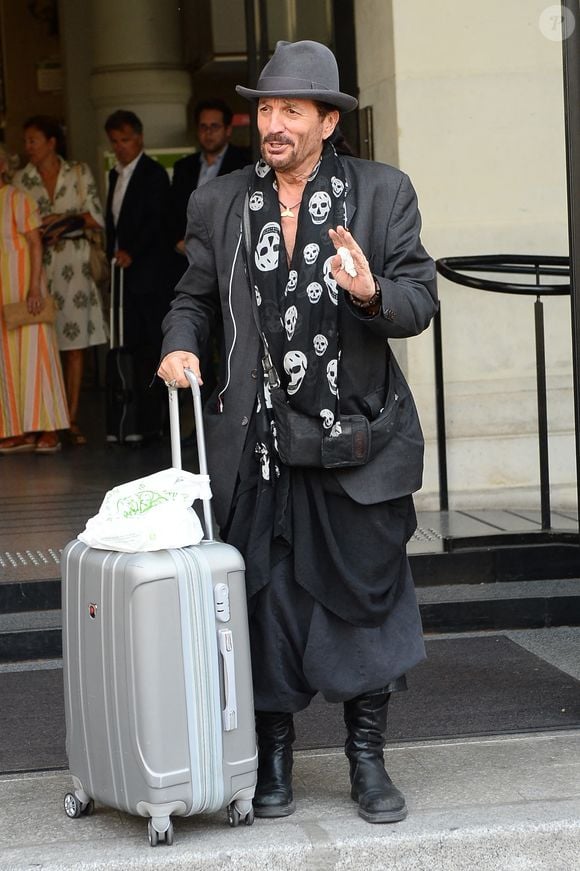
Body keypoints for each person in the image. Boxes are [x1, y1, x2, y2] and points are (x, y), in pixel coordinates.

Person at [158, 40, 438, 824]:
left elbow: (420, 299)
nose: (271, 123)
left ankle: (367, 762)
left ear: (326, 121)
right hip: (259, 445)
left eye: (290, 110)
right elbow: (195, 296)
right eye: (264, 109)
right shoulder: (221, 204)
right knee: (264, 604)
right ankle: (273, 757)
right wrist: (180, 341)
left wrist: (372, 291)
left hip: (357, 441)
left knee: (364, 607)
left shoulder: (382, 195)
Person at [14, 115, 107, 446]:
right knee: (42, 344)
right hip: (38, 268)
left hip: (75, 266)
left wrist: (59, 220)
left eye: (33, 141)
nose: (27, 148)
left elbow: (95, 216)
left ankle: (70, 417)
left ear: (52, 142)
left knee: (75, 347)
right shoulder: (21, 180)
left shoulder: (78, 173)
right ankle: (44, 419)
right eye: (26, 142)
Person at [104, 109, 173, 441]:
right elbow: (113, 225)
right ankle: (131, 422)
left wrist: (132, 252)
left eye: (125, 140)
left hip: (149, 275)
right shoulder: (114, 175)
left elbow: (156, 222)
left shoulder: (154, 174)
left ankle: (155, 423)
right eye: (115, 142)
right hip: (125, 278)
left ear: (140, 138)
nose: (120, 147)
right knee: (129, 347)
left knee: (151, 348)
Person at [0, 145, 69, 453]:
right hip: (3, 291)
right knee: (8, 361)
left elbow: (35, 244)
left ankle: (49, 428)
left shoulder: (18, 198)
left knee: (36, 356)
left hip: (25, 289)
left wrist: (35, 288)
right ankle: (17, 429)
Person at [171, 98, 252, 257]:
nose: (208, 133)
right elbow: (171, 210)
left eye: (214, 126)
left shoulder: (245, 164)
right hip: (187, 256)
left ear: (228, 130)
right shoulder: (183, 167)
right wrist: (178, 241)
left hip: (229, 253)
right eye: (203, 127)